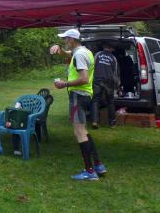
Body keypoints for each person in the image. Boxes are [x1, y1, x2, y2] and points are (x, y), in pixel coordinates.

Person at [50, 29, 106, 181]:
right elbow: (69, 54)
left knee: (79, 132)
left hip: (78, 96)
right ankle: (98, 165)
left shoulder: (80, 55)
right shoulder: (84, 51)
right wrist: (59, 49)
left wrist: (64, 84)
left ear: (72, 40)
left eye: (65, 39)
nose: (64, 41)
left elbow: (84, 78)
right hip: (85, 95)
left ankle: (89, 171)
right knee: (84, 131)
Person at [91, 42, 119, 129]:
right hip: (109, 81)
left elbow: (92, 66)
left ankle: (95, 121)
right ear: (111, 49)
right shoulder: (113, 58)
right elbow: (115, 72)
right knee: (110, 101)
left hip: (97, 79)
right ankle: (112, 123)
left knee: (95, 100)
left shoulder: (97, 55)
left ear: (104, 47)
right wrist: (117, 84)